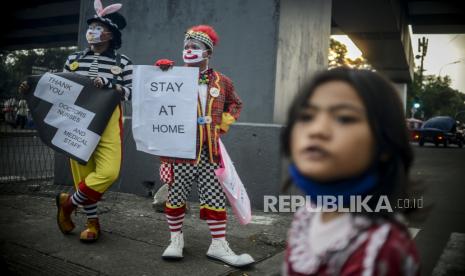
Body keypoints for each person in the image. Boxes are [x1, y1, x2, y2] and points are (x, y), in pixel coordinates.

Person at [281, 68, 420, 275]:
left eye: (344, 118)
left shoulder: (382, 249)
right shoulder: (308, 213)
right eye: (306, 117)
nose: (317, 130)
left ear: (385, 145)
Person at [19, 0, 132, 243]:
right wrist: (32, 87)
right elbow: (57, 88)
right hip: (76, 121)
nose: (91, 32)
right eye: (90, 27)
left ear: (110, 33)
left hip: (109, 121)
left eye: (98, 27)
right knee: (85, 174)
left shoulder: (123, 62)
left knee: (109, 172)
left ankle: (68, 203)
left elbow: (132, 92)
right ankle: (92, 223)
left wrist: (111, 85)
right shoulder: (73, 60)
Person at [154, 25, 254, 267]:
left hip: (210, 153)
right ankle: (175, 240)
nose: (189, 50)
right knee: (176, 196)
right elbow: (154, 99)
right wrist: (159, 75)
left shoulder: (223, 81)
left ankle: (218, 245)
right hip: (181, 152)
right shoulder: (173, 76)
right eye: (186, 46)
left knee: (214, 198)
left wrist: (222, 126)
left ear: (207, 52)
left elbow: (236, 104)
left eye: (195, 47)